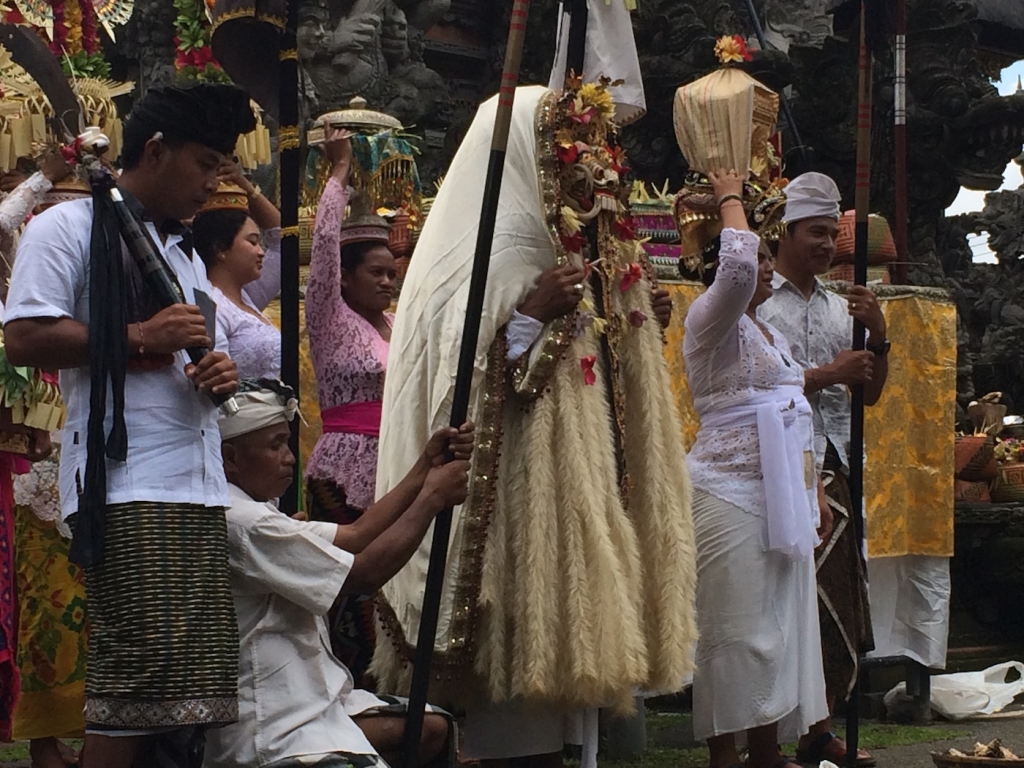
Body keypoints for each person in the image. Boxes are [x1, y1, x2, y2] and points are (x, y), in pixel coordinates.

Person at [372, 80, 696, 767]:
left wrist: (630, 329)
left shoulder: (561, 243)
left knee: (575, 721)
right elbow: (458, 380)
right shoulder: (480, 251)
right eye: (560, 150)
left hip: (580, 494)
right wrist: (528, 317)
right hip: (514, 515)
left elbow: (598, 362)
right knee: (517, 715)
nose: (574, 170)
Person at [3, 83, 256, 768]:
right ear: (156, 150)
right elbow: (24, 337)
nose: (214, 183)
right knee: (135, 686)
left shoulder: (183, 252)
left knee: (184, 692)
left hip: (198, 484)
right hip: (129, 482)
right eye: (206, 164)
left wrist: (217, 373)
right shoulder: (64, 227)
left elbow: (181, 351)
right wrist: (142, 332)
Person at [204, 380, 468, 768]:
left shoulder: (252, 510)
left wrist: (426, 467)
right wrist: (431, 499)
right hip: (274, 722)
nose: (290, 457)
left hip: (313, 700)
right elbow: (361, 573)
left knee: (432, 729)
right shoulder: (243, 520)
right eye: (275, 445)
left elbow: (356, 535)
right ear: (230, 458)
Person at [683, 169, 831, 768]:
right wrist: (727, 195)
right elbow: (739, 271)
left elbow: (794, 412)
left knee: (781, 633)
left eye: (773, 257)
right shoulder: (708, 323)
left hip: (784, 499)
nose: (766, 266)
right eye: (760, 254)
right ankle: (726, 755)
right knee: (734, 634)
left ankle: (768, 753)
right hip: (727, 493)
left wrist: (813, 487)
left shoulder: (768, 335)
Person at [759, 172, 887, 767]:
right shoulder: (756, 303)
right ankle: (767, 737)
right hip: (778, 466)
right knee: (786, 602)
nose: (826, 245)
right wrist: (828, 374)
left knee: (833, 600)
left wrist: (878, 338)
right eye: (815, 233)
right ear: (784, 233)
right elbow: (754, 384)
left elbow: (870, 395)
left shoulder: (845, 307)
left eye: (831, 235)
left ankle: (818, 729)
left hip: (835, 462)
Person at [304, 127, 397, 683]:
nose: (388, 281)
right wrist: (338, 175)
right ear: (346, 275)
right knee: (348, 590)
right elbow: (320, 248)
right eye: (376, 272)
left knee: (390, 586)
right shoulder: (329, 316)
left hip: (393, 462)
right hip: (343, 468)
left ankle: (389, 693)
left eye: (393, 272)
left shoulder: (394, 322)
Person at [193, 160, 283, 379]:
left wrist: (248, 188)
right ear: (220, 249)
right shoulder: (208, 302)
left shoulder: (249, 295)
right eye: (252, 242)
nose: (261, 251)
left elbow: (283, 240)